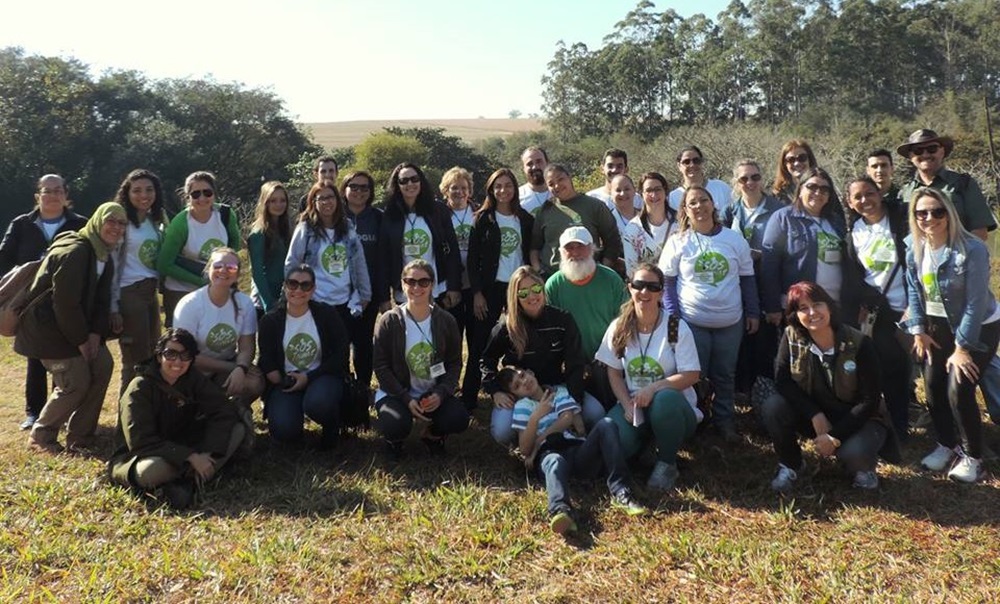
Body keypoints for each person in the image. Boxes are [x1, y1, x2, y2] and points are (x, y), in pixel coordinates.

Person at [763, 281, 899, 493]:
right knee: (774, 406)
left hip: (860, 419)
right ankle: (791, 465)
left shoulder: (859, 343)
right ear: (794, 315)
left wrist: (835, 437)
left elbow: (869, 400)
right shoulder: (790, 337)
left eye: (817, 304)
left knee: (854, 452)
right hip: (817, 416)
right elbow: (783, 382)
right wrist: (815, 414)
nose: (812, 312)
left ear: (829, 306)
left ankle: (863, 469)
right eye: (803, 308)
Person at [904, 188, 1000, 483]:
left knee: (958, 387)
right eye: (922, 213)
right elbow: (914, 291)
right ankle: (947, 444)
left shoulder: (971, 249)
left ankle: (974, 457)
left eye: (937, 211)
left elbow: (975, 302)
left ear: (949, 213)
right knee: (933, 384)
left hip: (978, 327)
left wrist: (963, 347)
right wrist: (918, 329)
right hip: (936, 326)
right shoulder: (913, 247)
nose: (929, 218)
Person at [15, 202, 125, 453]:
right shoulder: (76, 251)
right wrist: (82, 340)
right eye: (111, 220)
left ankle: (81, 436)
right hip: (48, 331)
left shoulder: (103, 253)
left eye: (122, 223)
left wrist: (96, 333)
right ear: (98, 221)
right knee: (75, 382)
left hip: (75, 329)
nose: (116, 227)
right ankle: (41, 436)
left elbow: (101, 299)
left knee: (103, 364)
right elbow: (64, 303)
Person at [497, 366, 647, 535]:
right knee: (554, 462)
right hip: (549, 453)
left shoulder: (558, 392)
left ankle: (621, 490)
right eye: (517, 386)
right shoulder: (523, 407)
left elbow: (570, 420)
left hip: (576, 450)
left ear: (531, 372)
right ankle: (560, 510)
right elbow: (524, 448)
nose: (524, 382)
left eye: (523, 375)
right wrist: (535, 416)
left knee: (607, 424)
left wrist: (538, 441)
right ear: (515, 395)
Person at [660, 186, 758, 441]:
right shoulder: (678, 241)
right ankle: (697, 420)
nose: (699, 206)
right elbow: (668, 282)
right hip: (692, 322)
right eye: (692, 202)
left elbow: (747, 278)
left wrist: (753, 312)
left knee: (725, 375)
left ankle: (725, 422)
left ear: (713, 204)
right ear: (685, 209)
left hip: (731, 321)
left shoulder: (734, 239)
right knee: (695, 376)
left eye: (704, 200)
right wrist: (674, 318)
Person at [109, 328, 245, 509]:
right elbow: (140, 442)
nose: (177, 362)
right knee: (149, 472)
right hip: (148, 453)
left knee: (237, 430)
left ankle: (189, 480)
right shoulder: (139, 387)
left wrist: (208, 451)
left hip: (184, 443)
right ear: (159, 357)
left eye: (185, 355)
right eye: (170, 354)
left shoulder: (193, 378)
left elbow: (223, 410)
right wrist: (190, 457)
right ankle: (194, 477)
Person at [595, 263, 703, 490]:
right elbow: (613, 371)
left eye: (653, 287)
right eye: (639, 285)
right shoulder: (619, 327)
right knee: (616, 446)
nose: (645, 292)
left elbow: (691, 375)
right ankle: (645, 444)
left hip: (674, 408)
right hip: (635, 406)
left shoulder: (675, 327)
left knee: (664, 401)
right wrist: (626, 404)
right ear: (630, 288)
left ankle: (667, 463)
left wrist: (653, 388)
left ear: (661, 293)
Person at [0, 174, 86, 430]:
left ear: (66, 194)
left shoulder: (79, 224)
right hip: (30, 301)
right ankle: (34, 413)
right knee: (35, 355)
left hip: (66, 299)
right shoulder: (22, 224)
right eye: (47, 191)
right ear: (38, 196)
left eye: (58, 190)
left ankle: (58, 411)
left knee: (64, 354)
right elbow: (3, 258)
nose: (52, 195)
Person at [480, 266, 604, 444]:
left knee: (597, 414)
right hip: (520, 393)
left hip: (556, 388)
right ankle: (531, 431)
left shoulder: (563, 320)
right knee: (501, 433)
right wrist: (495, 391)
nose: (531, 296)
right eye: (523, 293)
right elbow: (487, 359)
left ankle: (554, 426)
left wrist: (574, 402)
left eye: (536, 289)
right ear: (515, 297)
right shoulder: (506, 327)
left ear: (542, 288)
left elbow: (574, 363)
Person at [372, 260, 470, 459]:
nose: (417, 287)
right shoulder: (389, 321)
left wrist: (441, 393)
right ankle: (394, 440)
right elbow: (381, 367)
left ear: (432, 285)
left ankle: (433, 435)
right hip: (398, 393)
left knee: (458, 418)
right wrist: (405, 398)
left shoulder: (446, 321)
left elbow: (454, 364)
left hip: (432, 392)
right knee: (395, 424)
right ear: (402, 284)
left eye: (423, 282)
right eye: (411, 281)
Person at [841, 176, 911, 439]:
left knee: (926, 369)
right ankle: (898, 426)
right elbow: (856, 275)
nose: (864, 200)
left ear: (880, 193)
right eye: (857, 197)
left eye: (869, 193)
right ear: (849, 202)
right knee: (890, 369)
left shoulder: (901, 219)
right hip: (880, 311)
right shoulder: (854, 232)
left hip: (911, 307)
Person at [465, 168, 534, 409]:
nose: (503, 190)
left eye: (508, 185)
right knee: (480, 343)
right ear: (491, 191)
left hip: (517, 288)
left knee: (521, 341)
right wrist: (477, 293)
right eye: (498, 186)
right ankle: (469, 399)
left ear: (515, 189)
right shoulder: (482, 219)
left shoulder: (525, 219)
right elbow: (472, 261)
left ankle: (522, 395)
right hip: (490, 289)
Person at [258, 265, 348, 449]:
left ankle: (332, 426)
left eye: (305, 286)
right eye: (293, 284)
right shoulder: (270, 320)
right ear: (285, 287)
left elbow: (341, 354)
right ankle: (293, 415)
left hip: (322, 376)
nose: (298, 290)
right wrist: (280, 379)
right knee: (284, 431)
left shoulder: (327, 314)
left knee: (318, 403)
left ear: (313, 289)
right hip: (287, 381)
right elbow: (266, 360)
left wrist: (309, 377)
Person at [173, 247, 264, 416]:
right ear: (208, 270)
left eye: (230, 267)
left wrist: (241, 368)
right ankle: (211, 409)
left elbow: (246, 347)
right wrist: (233, 367)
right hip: (190, 372)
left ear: (237, 275)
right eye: (218, 265)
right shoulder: (189, 305)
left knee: (255, 380)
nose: (223, 270)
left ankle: (235, 410)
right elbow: (187, 356)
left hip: (224, 369)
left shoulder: (244, 303)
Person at [545, 226, 628, 408]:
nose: (575, 253)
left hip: (608, 357)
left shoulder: (611, 279)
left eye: (580, 246)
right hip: (571, 362)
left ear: (592, 248)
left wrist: (607, 354)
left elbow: (625, 320)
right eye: (569, 248)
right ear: (561, 252)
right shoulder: (553, 285)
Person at [723, 160, 783, 400]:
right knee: (743, 341)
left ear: (762, 179)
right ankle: (743, 392)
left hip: (767, 283)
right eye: (743, 179)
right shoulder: (730, 212)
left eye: (755, 177)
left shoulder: (778, 210)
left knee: (765, 344)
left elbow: (784, 251)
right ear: (736, 183)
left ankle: (766, 396)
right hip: (737, 286)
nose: (750, 183)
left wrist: (761, 254)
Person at [285, 181, 371, 343]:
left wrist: (365, 294)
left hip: (345, 302)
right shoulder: (305, 229)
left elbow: (359, 261)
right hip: (316, 301)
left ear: (337, 200)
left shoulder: (348, 227)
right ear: (313, 202)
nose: (326, 202)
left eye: (330, 197)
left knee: (342, 349)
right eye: (321, 198)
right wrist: (296, 295)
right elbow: (292, 264)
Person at [761, 167, 846, 325]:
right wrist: (772, 307)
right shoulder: (783, 218)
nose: (818, 192)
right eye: (812, 187)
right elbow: (769, 265)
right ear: (800, 190)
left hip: (834, 305)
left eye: (824, 189)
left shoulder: (836, 222)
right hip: (800, 306)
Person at [157, 171, 241, 328]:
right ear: (188, 197)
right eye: (195, 194)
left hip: (216, 289)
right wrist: (202, 281)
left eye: (207, 192)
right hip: (181, 291)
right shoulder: (181, 223)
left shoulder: (225, 215)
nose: (202, 198)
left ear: (214, 194)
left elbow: (235, 244)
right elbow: (164, 264)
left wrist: (225, 273)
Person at [109, 169, 167, 395]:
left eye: (149, 189)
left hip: (150, 293)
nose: (144, 195)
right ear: (127, 193)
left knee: (154, 354)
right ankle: (125, 424)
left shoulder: (156, 220)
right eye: (137, 190)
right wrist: (113, 307)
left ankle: (146, 412)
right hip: (128, 293)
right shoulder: (121, 222)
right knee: (134, 361)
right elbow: (112, 266)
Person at [377, 163, 462, 310]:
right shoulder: (390, 216)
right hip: (404, 293)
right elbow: (383, 259)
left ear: (421, 181)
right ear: (397, 186)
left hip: (437, 290)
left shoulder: (438, 211)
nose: (410, 184)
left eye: (414, 179)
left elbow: (453, 250)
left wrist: (454, 286)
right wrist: (384, 297)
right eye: (404, 181)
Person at [896, 129, 996, 240]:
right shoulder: (905, 192)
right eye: (918, 150)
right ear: (910, 156)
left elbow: (980, 231)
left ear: (942, 151)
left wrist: (963, 255)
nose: (925, 154)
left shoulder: (963, 183)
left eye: (932, 149)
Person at [530, 164, 623, 278]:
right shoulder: (545, 210)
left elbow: (612, 241)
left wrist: (603, 269)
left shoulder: (594, 206)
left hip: (589, 276)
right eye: (551, 184)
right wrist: (538, 270)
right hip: (552, 277)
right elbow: (534, 246)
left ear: (569, 177)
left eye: (560, 179)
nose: (557, 185)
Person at [341, 170, 385, 392]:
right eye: (354, 186)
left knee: (363, 343)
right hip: (337, 294)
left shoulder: (378, 218)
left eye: (364, 187)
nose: (359, 191)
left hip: (369, 294)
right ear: (345, 189)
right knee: (339, 343)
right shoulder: (335, 216)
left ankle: (362, 389)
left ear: (371, 192)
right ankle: (340, 388)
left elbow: (384, 258)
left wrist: (380, 295)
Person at [440, 167, 478, 405]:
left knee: (475, 342)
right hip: (449, 287)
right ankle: (446, 389)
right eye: (454, 187)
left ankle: (471, 392)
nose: (459, 192)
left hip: (473, 287)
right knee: (450, 342)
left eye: (463, 187)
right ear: (445, 190)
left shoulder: (478, 213)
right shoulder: (439, 215)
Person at [247, 181, 291, 318]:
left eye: (282, 200)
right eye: (273, 201)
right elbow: (257, 272)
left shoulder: (287, 228)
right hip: (264, 301)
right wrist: (269, 303)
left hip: (286, 297)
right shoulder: (258, 234)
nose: (279, 205)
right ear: (265, 203)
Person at [621, 172, 677, 278]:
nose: (654, 195)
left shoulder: (681, 223)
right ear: (641, 194)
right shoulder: (633, 229)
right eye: (649, 190)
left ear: (665, 191)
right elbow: (632, 270)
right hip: (649, 288)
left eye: (658, 189)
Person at [668, 145, 733, 214]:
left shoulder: (721, 187)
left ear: (702, 163)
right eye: (686, 162)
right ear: (679, 166)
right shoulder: (673, 197)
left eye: (696, 161)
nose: (692, 165)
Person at [518, 146, 551, 216]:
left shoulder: (560, 192)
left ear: (547, 163)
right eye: (529, 164)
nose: (535, 167)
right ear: (523, 168)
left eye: (539, 161)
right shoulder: (516, 197)